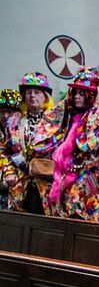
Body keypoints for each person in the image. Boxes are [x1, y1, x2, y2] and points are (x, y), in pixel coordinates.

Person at [44, 66, 99, 221]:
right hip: (70, 173)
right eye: (75, 92)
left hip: (92, 177)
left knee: (77, 206)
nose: (76, 97)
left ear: (91, 95)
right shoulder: (71, 117)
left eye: (82, 93)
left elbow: (90, 143)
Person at [5, 73, 57, 214]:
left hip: (47, 184)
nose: (32, 95)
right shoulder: (14, 121)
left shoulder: (55, 122)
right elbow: (4, 150)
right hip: (20, 183)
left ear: (45, 96)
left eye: (37, 92)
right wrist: (8, 171)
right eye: (28, 92)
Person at [0, 89, 22, 210]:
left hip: (17, 187)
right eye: (2, 112)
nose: (5, 116)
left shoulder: (24, 132)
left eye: (9, 112)